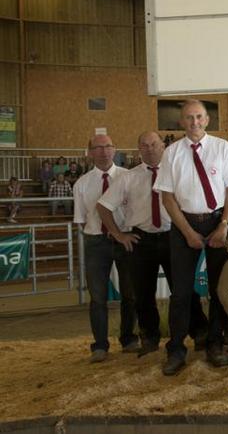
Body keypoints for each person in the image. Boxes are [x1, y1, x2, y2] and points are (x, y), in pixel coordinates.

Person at [97, 131, 209, 362]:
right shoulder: (128, 177)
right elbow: (103, 206)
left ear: (163, 146)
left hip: (174, 236)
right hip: (141, 239)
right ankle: (149, 338)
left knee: (183, 288)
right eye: (144, 145)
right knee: (142, 293)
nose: (150, 149)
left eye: (154, 144)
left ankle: (200, 332)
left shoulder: (177, 173)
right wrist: (119, 235)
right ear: (139, 149)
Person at [154, 99, 228, 375]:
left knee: (218, 289)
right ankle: (177, 349)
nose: (194, 122)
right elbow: (167, 198)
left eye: (199, 117)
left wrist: (224, 225)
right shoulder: (171, 153)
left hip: (218, 221)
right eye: (188, 118)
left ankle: (215, 344)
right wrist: (188, 232)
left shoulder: (222, 148)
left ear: (207, 120)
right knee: (180, 292)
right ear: (181, 122)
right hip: (184, 224)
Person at [73, 134, 137, 363]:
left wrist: (122, 234)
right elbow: (81, 220)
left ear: (115, 149)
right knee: (97, 297)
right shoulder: (82, 183)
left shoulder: (129, 177)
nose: (104, 151)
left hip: (126, 239)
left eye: (108, 146)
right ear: (90, 152)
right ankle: (100, 346)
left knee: (130, 293)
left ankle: (129, 338)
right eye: (98, 147)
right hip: (96, 243)